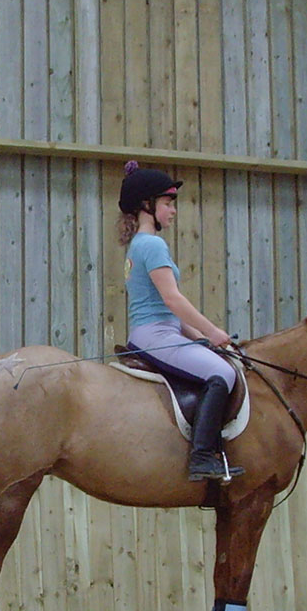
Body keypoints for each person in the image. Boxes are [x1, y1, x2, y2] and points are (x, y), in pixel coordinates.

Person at [117, 161, 242, 482]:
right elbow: (173, 300)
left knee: (219, 360)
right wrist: (213, 331)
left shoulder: (139, 246)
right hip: (155, 335)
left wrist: (202, 337)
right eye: (168, 204)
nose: (173, 211)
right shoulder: (152, 244)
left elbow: (167, 309)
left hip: (158, 331)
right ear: (147, 206)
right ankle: (201, 457)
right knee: (223, 372)